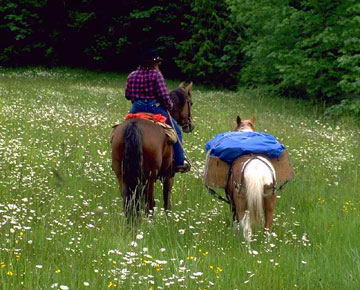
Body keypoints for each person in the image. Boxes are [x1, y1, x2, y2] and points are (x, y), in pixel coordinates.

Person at [124, 49, 190, 173]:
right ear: (155, 63)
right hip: (155, 108)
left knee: (125, 128)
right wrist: (170, 106)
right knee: (177, 131)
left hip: (136, 108)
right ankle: (180, 162)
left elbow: (127, 95)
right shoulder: (156, 75)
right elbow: (164, 96)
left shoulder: (132, 75)